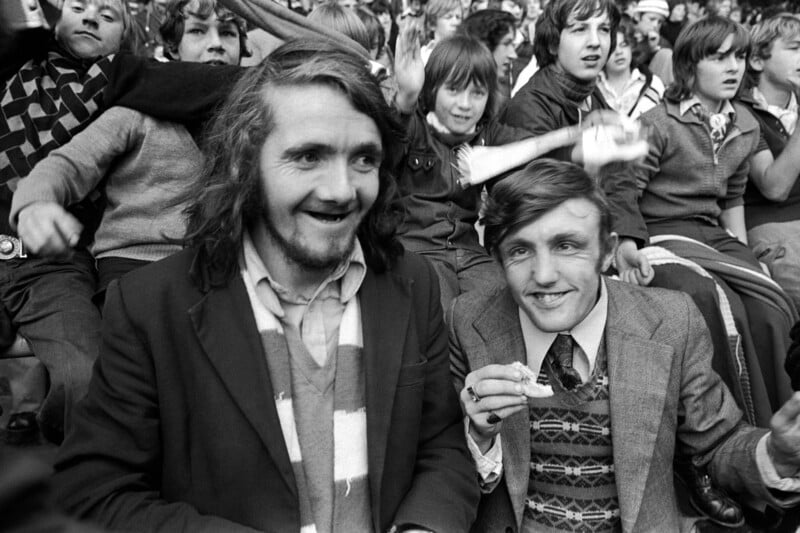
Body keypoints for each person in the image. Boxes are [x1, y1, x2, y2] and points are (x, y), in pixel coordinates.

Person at [52, 39, 479, 533]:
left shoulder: (412, 283)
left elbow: (441, 446)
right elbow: (93, 494)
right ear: (244, 162)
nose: (342, 189)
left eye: (364, 159)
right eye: (308, 157)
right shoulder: (152, 307)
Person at [449, 158, 800, 533]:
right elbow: (444, 470)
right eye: (520, 251)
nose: (545, 276)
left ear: (607, 251)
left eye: (567, 246)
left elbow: (717, 442)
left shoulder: (671, 320)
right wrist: (478, 437)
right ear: (497, 259)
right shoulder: (469, 322)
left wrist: (775, 456)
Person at [10, 0, 247, 299]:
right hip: (133, 271)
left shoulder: (260, 121)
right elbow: (67, 165)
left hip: (224, 275)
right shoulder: (135, 110)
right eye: (198, 31)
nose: (215, 44)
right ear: (172, 49)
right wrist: (36, 203)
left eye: (228, 33)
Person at [636, 15, 796, 416]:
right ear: (690, 64)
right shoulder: (658, 122)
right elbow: (624, 191)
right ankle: (731, 428)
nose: (733, 67)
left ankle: (783, 426)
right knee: (717, 302)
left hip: (712, 233)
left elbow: (734, 197)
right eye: (718, 57)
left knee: (771, 306)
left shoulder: (744, 122)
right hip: (660, 230)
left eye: (739, 57)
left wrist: (746, 251)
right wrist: (625, 245)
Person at [0, 0, 130, 444]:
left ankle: (57, 439)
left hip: (54, 267)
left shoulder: (130, 79)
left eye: (108, 15)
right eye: (78, 6)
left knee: (87, 382)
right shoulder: (15, 58)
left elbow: (202, 82)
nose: (91, 17)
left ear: (125, 39)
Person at [738, 13, 800, 312]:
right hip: (772, 227)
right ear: (758, 61)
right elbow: (774, 187)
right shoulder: (742, 112)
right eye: (795, 47)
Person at [597, 18, 665, 118]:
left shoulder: (653, 84)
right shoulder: (592, 88)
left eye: (624, 45)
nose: (619, 52)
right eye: (612, 48)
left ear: (631, 47)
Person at [459, 9, 518, 98]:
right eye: (506, 43)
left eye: (513, 45)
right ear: (484, 45)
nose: (513, 55)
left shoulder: (502, 89)